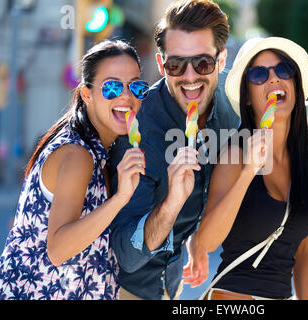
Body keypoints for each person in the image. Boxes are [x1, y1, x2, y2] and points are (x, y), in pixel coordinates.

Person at [0, 40, 148, 300]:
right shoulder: (78, 155)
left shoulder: (100, 153)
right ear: (86, 94)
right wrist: (121, 198)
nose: (126, 96)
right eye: (111, 87)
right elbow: (58, 249)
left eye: (136, 86)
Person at [108, 0, 240, 300]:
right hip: (127, 289)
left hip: (173, 281)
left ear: (221, 60)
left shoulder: (228, 104)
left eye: (203, 63)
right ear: (160, 65)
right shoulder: (138, 132)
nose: (190, 76)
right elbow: (127, 255)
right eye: (176, 64)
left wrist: (197, 238)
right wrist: (172, 203)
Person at [183, 37, 308, 300]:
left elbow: (305, 251)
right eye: (258, 74)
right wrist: (248, 173)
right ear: (247, 97)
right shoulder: (236, 154)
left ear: (295, 84)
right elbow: (208, 241)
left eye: (283, 70)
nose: (274, 79)